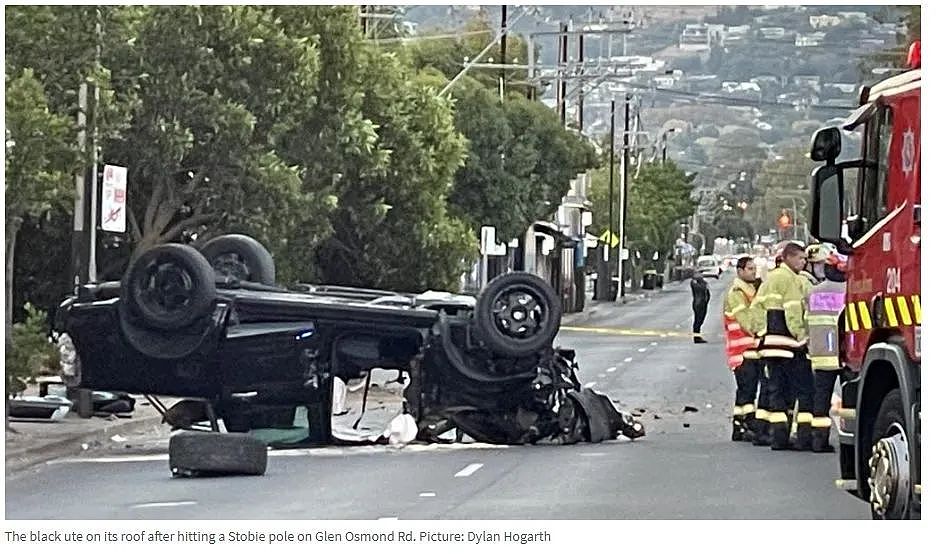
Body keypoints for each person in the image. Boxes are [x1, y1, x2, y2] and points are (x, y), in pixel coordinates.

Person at [749, 242, 813, 450]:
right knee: (803, 390)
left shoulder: (769, 280)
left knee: (777, 393)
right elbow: (793, 312)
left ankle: (778, 438)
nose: (804, 262)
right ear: (789, 258)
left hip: (771, 346)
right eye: (801, 258)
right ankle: (804, 438)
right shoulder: (790, 279)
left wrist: (761, 334)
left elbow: (756, 309)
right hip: (789, 346)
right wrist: (802, 338)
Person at [804, 247, 848, 452]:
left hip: (821, 354)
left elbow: (805, 322)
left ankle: (818, 440)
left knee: (820, 400)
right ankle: (851, 439)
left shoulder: (813, 292)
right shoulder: (850, 292)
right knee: (849, 400)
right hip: (845, 355)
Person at [722, 256, 761, 441]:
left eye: (754, 268)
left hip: (750, 350)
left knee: (747, 391)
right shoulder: (737, 293)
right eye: (750, 269)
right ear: (740, 271)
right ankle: (744, 424)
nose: (754, 272)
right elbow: (746, 320)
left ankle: (739, 425)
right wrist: (761, 330)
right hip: (741, 352)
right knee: (746, 390)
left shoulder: (751, 291)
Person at [690, 270, 711, 343]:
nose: (701, 276)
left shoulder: (702, 282)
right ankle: (696, 337)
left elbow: (707, 293)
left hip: (703, 303)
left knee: (701, 320)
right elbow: (700, 288)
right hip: (698, 303)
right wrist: (703, 283)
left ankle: (697, 336)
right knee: (697, 321)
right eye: (699, 274)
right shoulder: (694, 282)